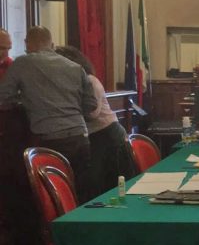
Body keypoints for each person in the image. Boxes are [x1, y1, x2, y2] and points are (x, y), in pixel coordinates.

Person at [0, 26, 97, 202]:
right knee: (82, 193)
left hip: (49, 140)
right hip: (80, 137)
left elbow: (3, 98)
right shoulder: (75, 67)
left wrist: (26, 101)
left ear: (27, 43)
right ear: (51, 44)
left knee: (54, 198)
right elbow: (91, 105)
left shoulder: (22, 63)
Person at [55, 46, 135, 198]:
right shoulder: (72, 83)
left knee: (109, 185)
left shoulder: (90, 80)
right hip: (93, 136)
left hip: (107, 135)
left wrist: (67, 111)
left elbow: (93, 113)